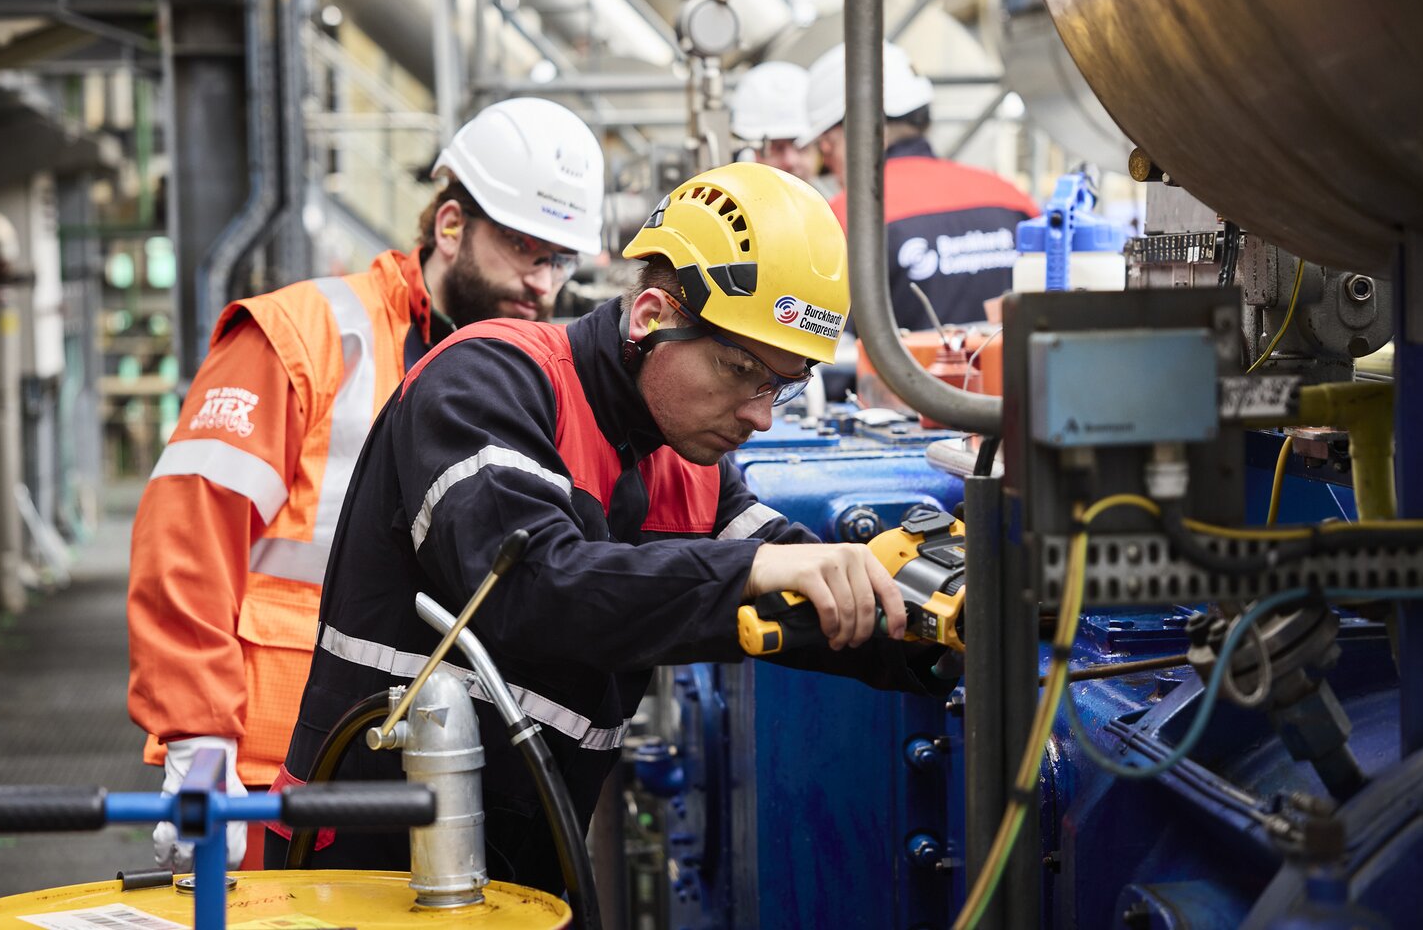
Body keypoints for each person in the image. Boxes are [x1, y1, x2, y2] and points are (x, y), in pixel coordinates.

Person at [267, 161, 952, 889]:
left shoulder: (691, 462)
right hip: (367, 861)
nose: (759, 417)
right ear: (652, 316)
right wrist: (753, 572)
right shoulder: (486, 383)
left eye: (783, 386)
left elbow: (796, 576)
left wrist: (935, 626)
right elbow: (532, 591)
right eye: (738, 370)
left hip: (524, 861)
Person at [125, 97, 605, 873]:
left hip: (443, 777)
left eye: (560, 259)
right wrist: (196, 739)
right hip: (273, 778)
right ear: (450, 226)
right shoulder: (306, 337)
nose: (543, 282)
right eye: (524, 247)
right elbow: (185, 538)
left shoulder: (541, 375)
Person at [798, 41, 1039, 326]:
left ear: (863, 127)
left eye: (827, 150)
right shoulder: (1013, 198)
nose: (834, 171)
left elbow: (822, 345)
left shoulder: (841, 220)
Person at [730, 60, 816, 182]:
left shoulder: (837, 199)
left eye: (801, 145)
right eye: (775, 147)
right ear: (747, 152)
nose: (791, 161)